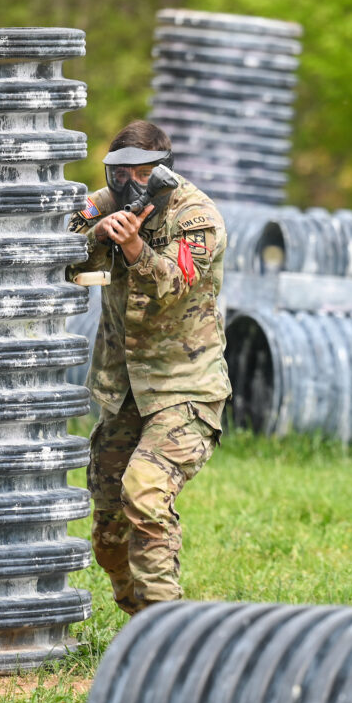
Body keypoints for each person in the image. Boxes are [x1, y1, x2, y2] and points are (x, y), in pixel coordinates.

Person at [67, 119, 229, 615]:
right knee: (108, 535)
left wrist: (135, 248)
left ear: (163, 171)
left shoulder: (196, 216)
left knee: (145, 493)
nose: (130, 183)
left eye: (142, 173)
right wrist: (97, 235)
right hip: (124, 392)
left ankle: (167, 635)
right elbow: (59, 252)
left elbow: (176, 284)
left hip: (185, 390)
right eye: (121, 174)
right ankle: (141, 622)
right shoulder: (106, 203)